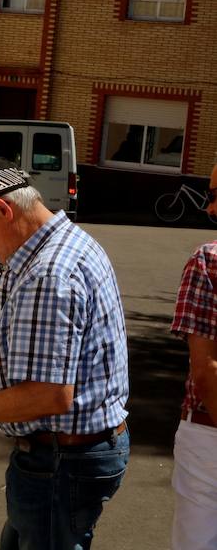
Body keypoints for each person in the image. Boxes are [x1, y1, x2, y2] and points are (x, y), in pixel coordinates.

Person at [0, 158, 130, 550]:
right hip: (68, 455)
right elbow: (71, 349)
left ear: (3, 210)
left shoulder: (48, 273)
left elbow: (51, 394)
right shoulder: (63, 243)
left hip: (61, 462)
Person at [170, 164, 217, 550]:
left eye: (216, 195)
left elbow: (207, 372)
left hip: (209, 433)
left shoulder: (208, 260)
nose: (210, 208)